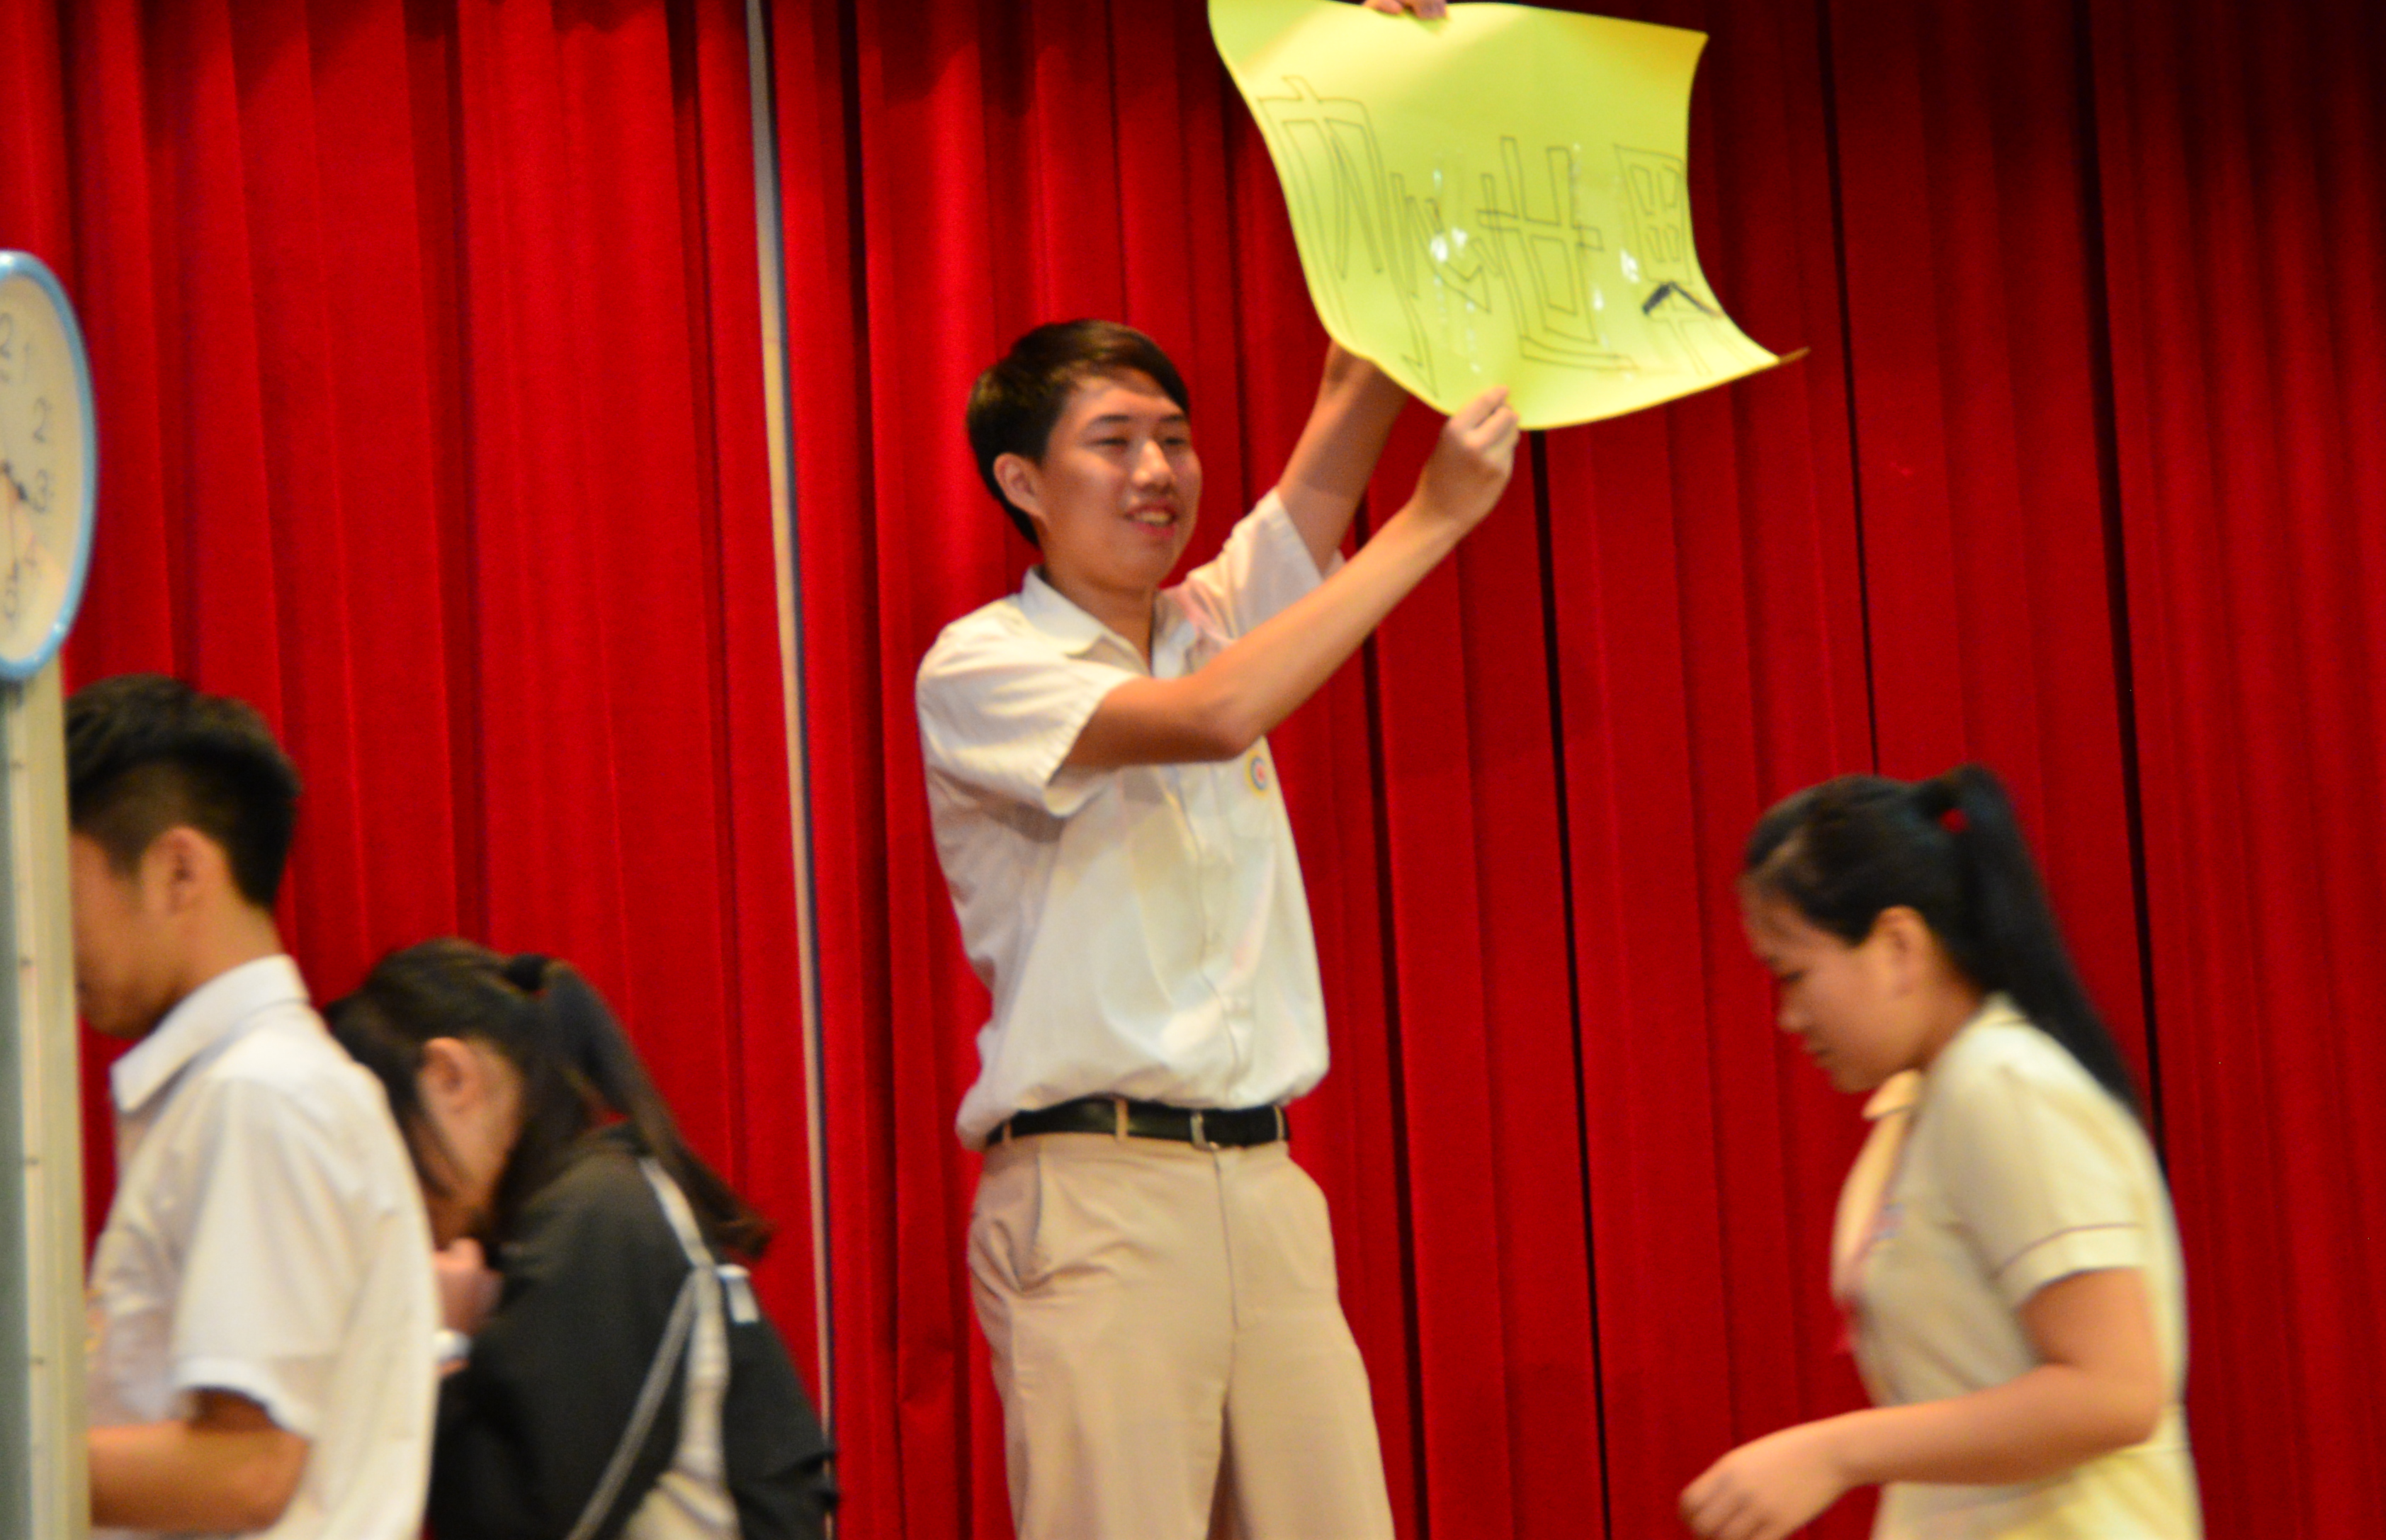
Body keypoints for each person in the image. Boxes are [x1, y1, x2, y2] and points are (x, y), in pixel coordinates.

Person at [913, 81, 1519, 1535]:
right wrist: (1435, 519)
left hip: (1266, 1183)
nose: (1158, 471)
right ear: (1021, 479)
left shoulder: (1211, 611)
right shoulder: (984, 662)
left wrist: (1395, 123)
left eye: (1175, 438)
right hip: (1096, 1191)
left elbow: (1352, 393)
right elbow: (1214, 717)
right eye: (1115, 440)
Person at [1680, 767, 2200, 1540]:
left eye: (1794, 974)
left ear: (1898, 944)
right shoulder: (1940, 1097)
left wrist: (1834, 1453)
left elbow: (2115, 1392)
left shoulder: (2003, 1085)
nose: (1789, 1016)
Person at [67, 673, 438, 1539]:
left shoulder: (259, 1094)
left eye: (59, 886)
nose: (36, 930)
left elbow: (246, 1469)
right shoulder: (248, 1087)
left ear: (179, 869)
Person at [324, 939, 834, 1539]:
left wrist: (443, 1348)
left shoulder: (597, 1218)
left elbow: (521, 1526)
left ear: (449, 1077)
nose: (388, 1186)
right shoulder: (592, 1209)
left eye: (384, 1138)